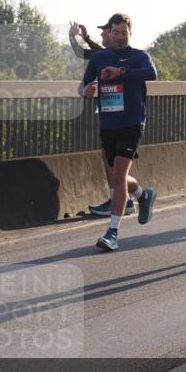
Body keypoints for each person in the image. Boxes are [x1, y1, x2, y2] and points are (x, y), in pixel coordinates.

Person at [79, 14, 158, 251]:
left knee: (117, 176)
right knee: (119, 176)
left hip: (132, 121)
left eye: (124, 32)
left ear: (129, 34)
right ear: (109, 34)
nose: (120, 36)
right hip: (108, 123)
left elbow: (151, 73)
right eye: (116, 32)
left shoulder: (139, 56)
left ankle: (113, 232)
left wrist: (121, 72)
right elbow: (83, 85)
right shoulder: (99, 58)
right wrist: (88, 90)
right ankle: (143, 196)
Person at [73, 21, 138, 218]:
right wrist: (85, 38)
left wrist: (75, 36)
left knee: (115, 167)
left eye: (105, 32)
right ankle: (138, 196)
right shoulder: (103, 56)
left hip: (125, 119)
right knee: (110, 162)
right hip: (108, 115)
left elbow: (84, 52)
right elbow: (93, 52)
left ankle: (121, 200)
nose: (102, 35)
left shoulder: (127, 57)